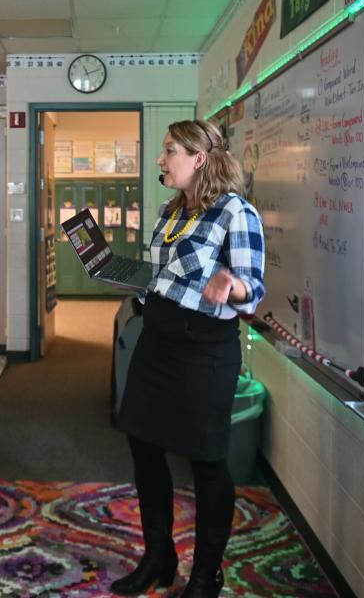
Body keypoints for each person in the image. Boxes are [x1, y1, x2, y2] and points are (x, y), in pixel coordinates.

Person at [110, 120, 266, 598]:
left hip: (204, 350)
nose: (161, 159)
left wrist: (231, 286)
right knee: (144, 446)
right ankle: (159, 555)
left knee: (207, 462)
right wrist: (115, 270)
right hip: (156, 342)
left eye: (170, 149)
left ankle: (205, 576)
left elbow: (253, 289)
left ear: (200, 158)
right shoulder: (169, 210)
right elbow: (161, 277)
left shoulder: (235, 212)